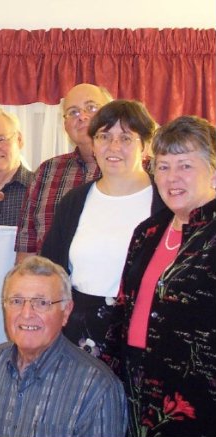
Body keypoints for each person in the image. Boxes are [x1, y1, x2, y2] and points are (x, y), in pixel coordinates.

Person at [40, 100, 163, 364]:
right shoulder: (74, 201)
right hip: (77, 336)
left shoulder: (165, 203)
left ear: (145, 145)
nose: (113, 146)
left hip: (145, 339)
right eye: (104, 136)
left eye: (126, 138)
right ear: (94, 144)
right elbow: (51, 272)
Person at [0, 256, 126, 437]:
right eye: (17, 301)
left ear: (66, 311)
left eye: (41, 303)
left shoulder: (97, 387)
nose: (26, 314)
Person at [116, 116, 216, 436]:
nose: (172, 177)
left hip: (199, 398)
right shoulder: (148, 232)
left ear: (213, 172)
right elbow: (125, 307)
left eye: (185, 165)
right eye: (163, 166)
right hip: (139, 386)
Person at [15, 83, 112, 262]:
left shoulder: (136, 171)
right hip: (51, 279)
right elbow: (26, 250)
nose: (82, 116)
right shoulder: (46, 172)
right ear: (65, 125)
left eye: (91, 108)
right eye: (73, 112)